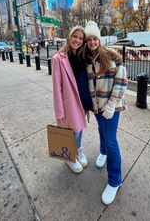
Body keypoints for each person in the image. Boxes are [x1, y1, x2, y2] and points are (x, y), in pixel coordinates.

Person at [84, 21, 128, 205]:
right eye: (89, 39)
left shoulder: (111, 56)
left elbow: (122, 80)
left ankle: (114, 180)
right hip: (96, 107)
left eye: (95, 38)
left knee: (111, 141)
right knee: (101, 132)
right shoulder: (85, 59)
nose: (92, 42)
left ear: (99, 39)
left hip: (111, 107)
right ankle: (102, 152)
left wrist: (111, 105)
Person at [52, 26, 92, 173]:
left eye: (81, 38)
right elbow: (57, 88)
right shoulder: (58, 58)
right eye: (75, 36)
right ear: (69, 37)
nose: (77, 40)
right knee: (72, 131)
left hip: (83, 99)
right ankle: (69, 157)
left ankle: (78, 149)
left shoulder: (82, 55)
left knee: (79, 128)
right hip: (70, 102)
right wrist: (59, 113)